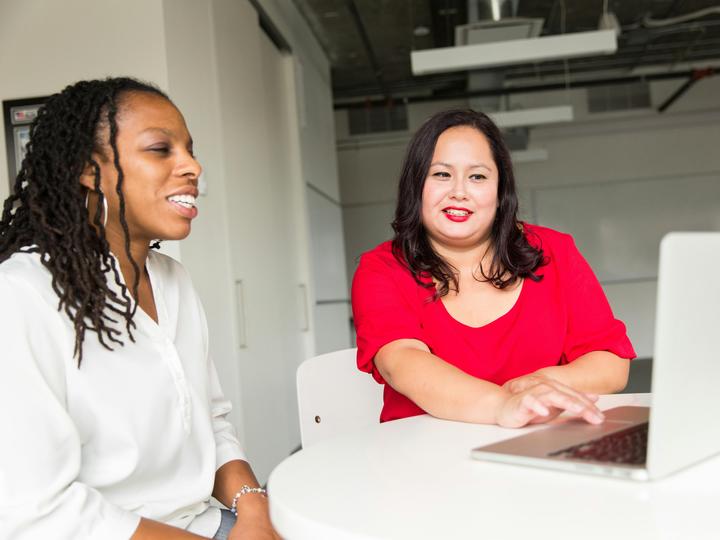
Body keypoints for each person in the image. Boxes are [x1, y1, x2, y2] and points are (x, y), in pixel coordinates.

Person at [0, 78, 279, 539]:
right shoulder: (20, 295)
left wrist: (254, 511)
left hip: (207, 523)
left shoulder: (174, 282)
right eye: (160, 149)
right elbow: (36, 511)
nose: (192, 165)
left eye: (189, 149)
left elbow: (211, 420)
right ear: (89, 170)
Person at [351, 109, 636, 428]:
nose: (459, 191)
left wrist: (533, 387)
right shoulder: (382, 269)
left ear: (501, 192)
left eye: (478, 176)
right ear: (415, 185)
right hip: (426, 460)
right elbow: (402, 362)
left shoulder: (555, 251)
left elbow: (611, 364)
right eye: (441, 174)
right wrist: (503, 405)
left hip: (540, 444)